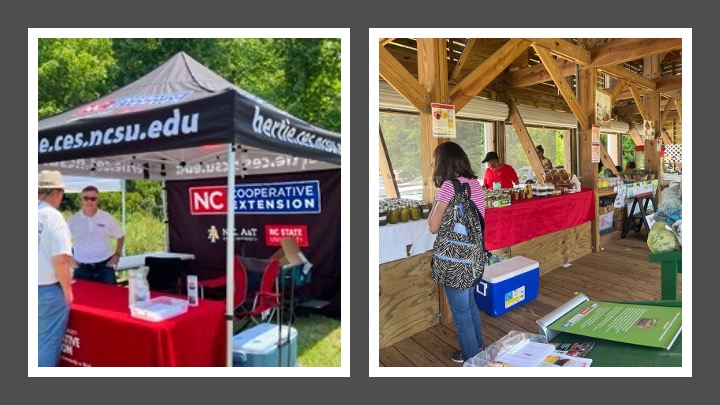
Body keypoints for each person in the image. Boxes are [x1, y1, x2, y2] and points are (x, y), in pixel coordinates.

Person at [427, 142, 485, 364]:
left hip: (454, 261)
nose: (433, 163)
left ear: (443, 162)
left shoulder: (449, 187)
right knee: (470, 304)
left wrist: (436, 205)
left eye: (435, 159)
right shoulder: (476, 184)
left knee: (460, 314)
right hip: (473, 258)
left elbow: (433, 226)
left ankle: (472, 359)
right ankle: (477, 346)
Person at [38, 170, 74, 366]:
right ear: (57, 193)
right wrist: (67, 290)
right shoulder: (53, 217)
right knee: (45, 346)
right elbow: (61, 258)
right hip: (46, 291)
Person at [68, 185, 125, 285]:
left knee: (111, 298)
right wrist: (68, 256)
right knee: (80, 299)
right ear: (81, 199)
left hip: (105, 267)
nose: (89, 202)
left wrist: (117, 255)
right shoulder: (73, 220)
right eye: (86, 198)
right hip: (81, 268)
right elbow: (63, 239)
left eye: (93, 199)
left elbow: (120, 236)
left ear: (98, 200)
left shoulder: (107, 217)